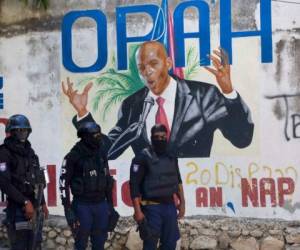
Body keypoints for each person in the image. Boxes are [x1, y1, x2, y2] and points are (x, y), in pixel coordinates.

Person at [62, 41, 254, 159]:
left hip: (193, 191)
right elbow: (108, 151)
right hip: (149, 198)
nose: (147, 72)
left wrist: (228, 92)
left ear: (168, 63)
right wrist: (83, 113)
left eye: (154, 63)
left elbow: (242, 139)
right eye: (142, 67)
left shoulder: (203, 95)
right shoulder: (132, 105)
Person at [59, 121, 117, 250]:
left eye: (99, 134)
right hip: (82, 206)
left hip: (101, 205)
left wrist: (110, 206)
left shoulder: (101, 154)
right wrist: (68, 211)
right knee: (81, 243)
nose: (98, 138)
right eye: (95, 135)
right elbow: (63, 185)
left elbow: (107, 180)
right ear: (86, 137)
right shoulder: (72, 156)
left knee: (99, 243)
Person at [129, 124, 185, 250]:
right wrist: (137, 211)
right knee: (150, 244)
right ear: (151, 138)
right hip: (151, 208)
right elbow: (134, 185)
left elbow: (178, 180)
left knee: (170, 244)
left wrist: (182, 203)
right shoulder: (142, 157)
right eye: (157, 137)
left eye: (163, 137)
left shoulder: (171, 156)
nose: (160, 139)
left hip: (170, 207)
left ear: (167, 137)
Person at [0, 114, 49, 250]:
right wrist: (25, 202)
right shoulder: (4, 152)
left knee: (35, 245)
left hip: (35, 208)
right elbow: (4, 183)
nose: (23, 133)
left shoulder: (31, 154)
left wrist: (43, 203)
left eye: (25, 130)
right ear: (12, 131)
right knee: (20, 246)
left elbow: (38, 181)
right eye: (19, 130)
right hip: (18, 209)